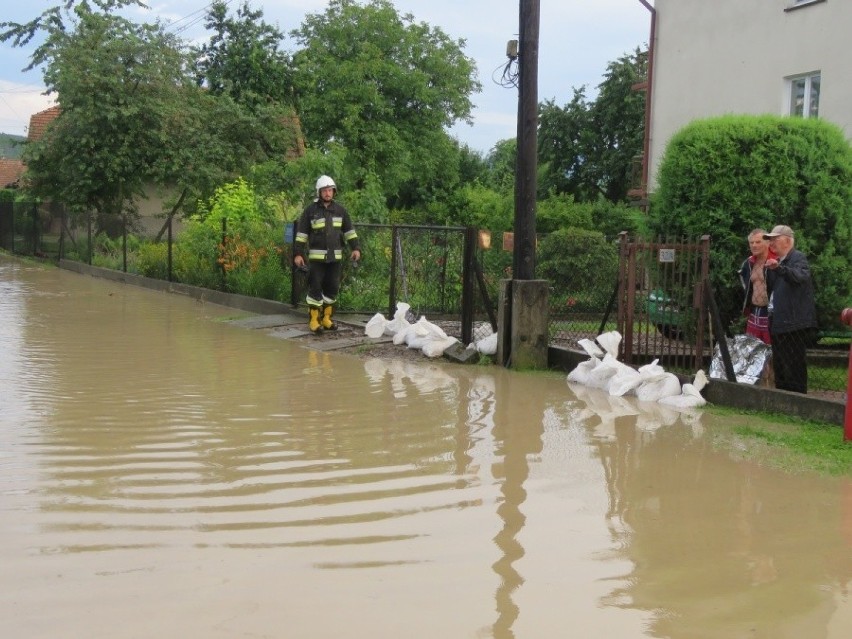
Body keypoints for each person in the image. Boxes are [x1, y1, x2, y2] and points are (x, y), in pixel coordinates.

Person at [293, 175, 361, 333]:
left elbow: (350, 232)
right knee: (315, 288)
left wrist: (356, 248)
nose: (328, 193)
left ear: (334, 191)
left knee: (332, 289)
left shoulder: (340, 211)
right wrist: (298, 254)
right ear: (319, 192)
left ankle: (326, 319)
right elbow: (301, 234)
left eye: (330, 190)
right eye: (324, 190)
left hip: (335, 259)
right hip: (317, 260)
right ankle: (314, 321)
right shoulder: (311, 211)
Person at [763, 224, 817, 393]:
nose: (771, 243)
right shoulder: (776, 263)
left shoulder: (798, 258)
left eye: (774, 239)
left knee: (794, 365)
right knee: (780, 364)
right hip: (778, 321)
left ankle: (799, 401)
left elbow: (798, 277)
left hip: (794, 323)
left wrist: (778, 268)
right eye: (770, 240)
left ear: (787, 240)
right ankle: (782, 399)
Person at [738, 228, 775, 344]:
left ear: (768, 243)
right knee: (752, 350)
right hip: (754, 312)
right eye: (751, 242)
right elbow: (745, 284)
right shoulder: (748, 263)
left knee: (771, 352)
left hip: (771, 315)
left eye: (758, 242)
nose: (754, 245)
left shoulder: (775, 263)